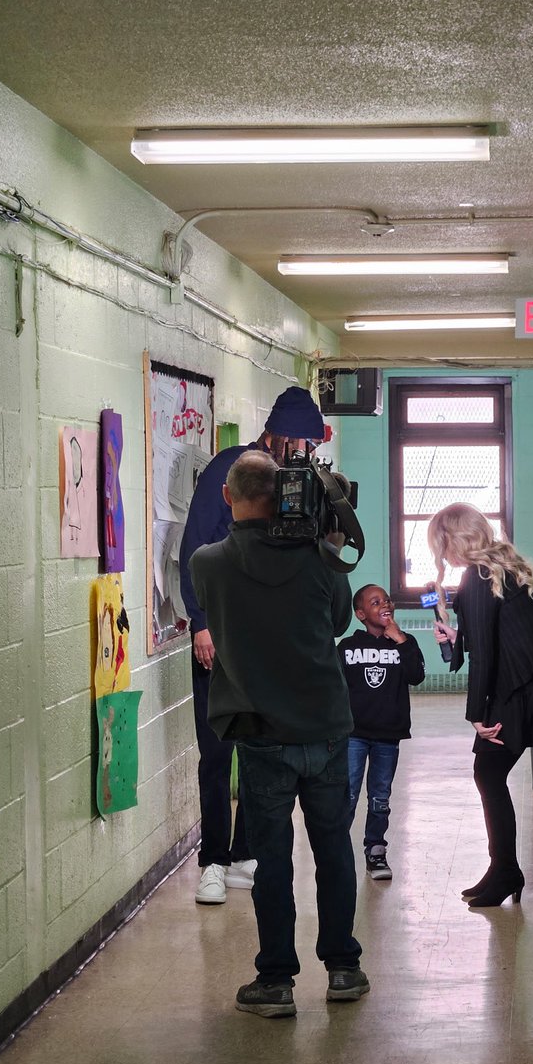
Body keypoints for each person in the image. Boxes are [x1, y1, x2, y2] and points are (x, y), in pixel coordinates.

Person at [189, 450, 369, 1017]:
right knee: (334, 848)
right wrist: (326, 542)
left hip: (262, 736)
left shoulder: (207, 562)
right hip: (325, 729)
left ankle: (276, 980)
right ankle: (343, 968)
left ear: (227, 497)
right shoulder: (320, 560)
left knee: (273, 861)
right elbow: (339, 620)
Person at [179, 385, 326, 905]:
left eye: (311, 443)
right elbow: (194, 547)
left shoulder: (298, 482)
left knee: (259, 750)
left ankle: (244, 855)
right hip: (219, 638)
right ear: (275, 431)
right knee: (216, 753)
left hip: (266, 642)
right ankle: (212, 861)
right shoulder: (229, 472)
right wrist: (200, 623)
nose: (303, 450)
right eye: (298, 440)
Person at [428, 504, 533, 908]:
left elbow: (487, 659)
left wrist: (476, 714)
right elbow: (494, 635)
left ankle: (505, 870)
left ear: (453, 539)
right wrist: (458, 634)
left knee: (488, 774)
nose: (442, 555)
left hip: (520, 687)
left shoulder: (477, 577)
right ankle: (502, 869)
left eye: (442, 545)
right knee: (489, 775)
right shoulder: (501, 567)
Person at [338, 585, 425, 880]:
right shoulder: (347, 648)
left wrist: (400, 638)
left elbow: (416, 675)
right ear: (361, 614)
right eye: (376, 602)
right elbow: (334, 690)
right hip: (353, 735)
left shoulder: (404, 644)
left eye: (387, 599)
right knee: (347, 793)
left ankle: (376, 850)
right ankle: (335, 852)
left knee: (380, 797)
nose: (385, 604)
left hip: (388, 735)